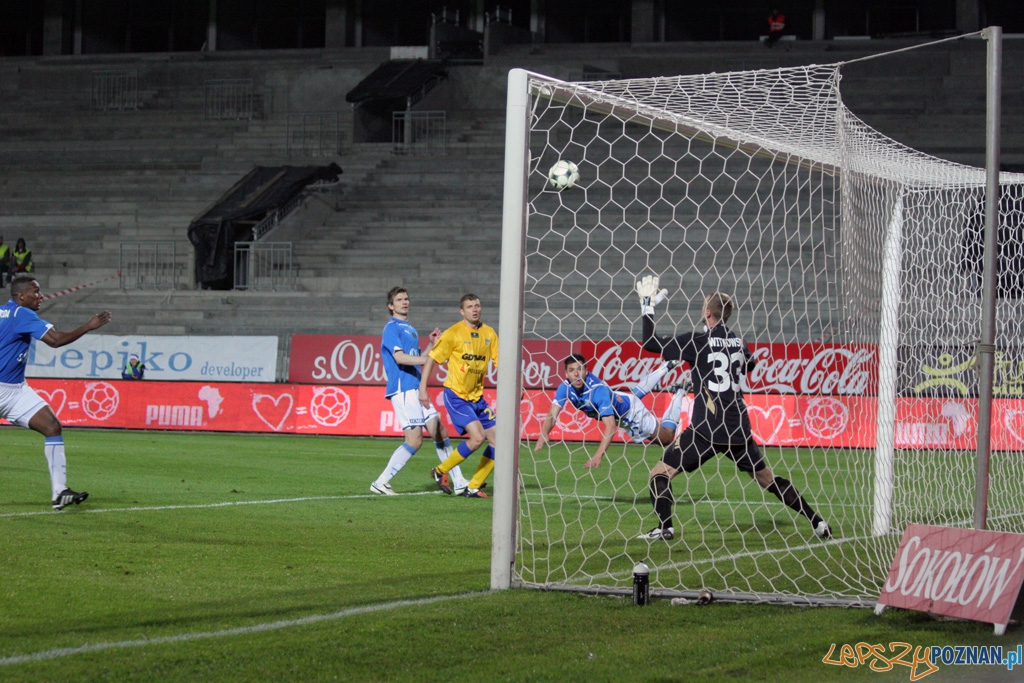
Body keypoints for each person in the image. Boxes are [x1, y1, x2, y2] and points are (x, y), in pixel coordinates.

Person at [635, 275, 830, 541]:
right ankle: (817, 522)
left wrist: (647, 305)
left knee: (660, 473)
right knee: (767, 480)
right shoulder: (740, 342)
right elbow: (749, 365)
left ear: (707, 314)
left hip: (706, 429)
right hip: (738, 427)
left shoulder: (697, 342)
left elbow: (649, 343)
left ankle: (665, 526)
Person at [0, 275, 112, 510]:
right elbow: (55, 340)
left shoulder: (4, 312)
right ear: (21, 296)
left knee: (52, 426)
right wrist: (88, 326)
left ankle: (60, 492)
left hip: (16, 389)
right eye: (35, 292)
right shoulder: (23, 314)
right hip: (4, 388)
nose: (40, 296)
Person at [372, 286, 469, 496]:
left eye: (406, 299)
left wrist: (431, 346)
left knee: (439, 431)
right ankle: (381, 482)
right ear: (391, 306)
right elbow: (400, 358)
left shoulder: (411, 329)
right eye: (399, 300)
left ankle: (459, 481)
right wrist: (430, 358)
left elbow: (416, 358)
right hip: (403, 388)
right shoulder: (391, 328)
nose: (404, 302)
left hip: (416, 388)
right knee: (414, 440)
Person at [535, 353, 689, 469]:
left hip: (631, 415)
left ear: (586, 371)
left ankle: (679, 393)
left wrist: (598, 455)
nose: (576, 374)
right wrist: (544, 432)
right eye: (571, 370)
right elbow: (552, 413)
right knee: (635, 395)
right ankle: (664, 368)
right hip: (620, 399)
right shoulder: (565, 387)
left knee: (667, 438)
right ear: (566, 374)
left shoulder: (598, 391)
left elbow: (610, 427)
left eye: (579, 369)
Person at [420, 293, 499, 499]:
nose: (475, 309)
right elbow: (431, 359)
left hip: (477, 398)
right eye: (470, 306)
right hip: (456, 396)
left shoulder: (490, 334)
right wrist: (423, 389)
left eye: (478, 305)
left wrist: (517, 384)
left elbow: (502, 363)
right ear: (462, 311)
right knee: (478, 437)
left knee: (498, 441)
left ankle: (473, 486)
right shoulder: (453, 333)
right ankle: (440, 471)